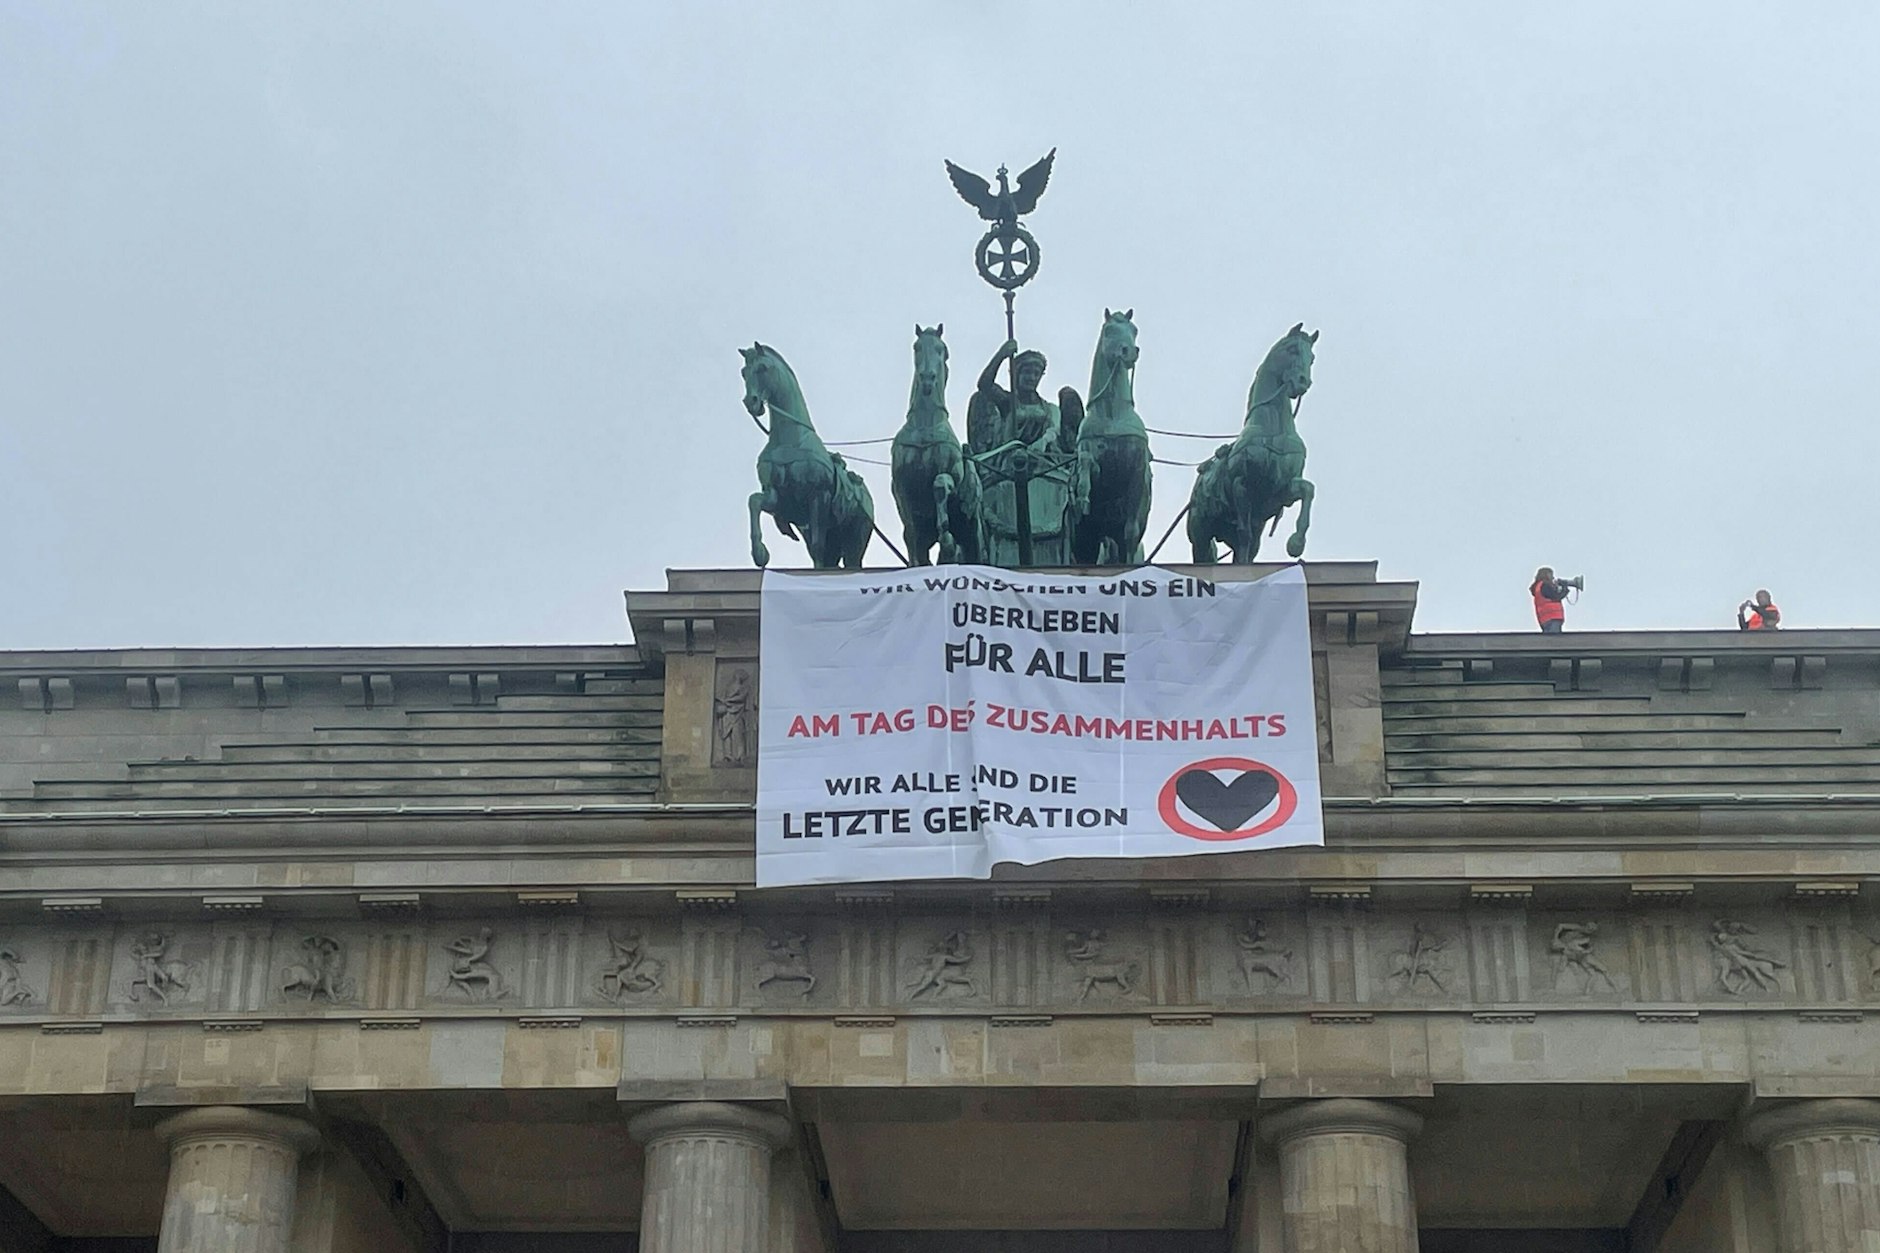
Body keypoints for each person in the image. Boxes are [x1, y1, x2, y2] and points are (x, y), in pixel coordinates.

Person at [1530, 567, 1573, 633]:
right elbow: (1556, 597)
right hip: (1553, 616)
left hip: (1544, 618)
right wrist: (1564, 589)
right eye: (1551, 575)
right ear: (1546, 575)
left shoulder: (1538, 587)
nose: (1553, 577)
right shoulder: (1544, 586)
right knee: (1554, 640)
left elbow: (1548, 597)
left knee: (1548, 639)